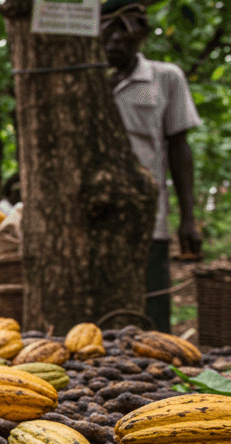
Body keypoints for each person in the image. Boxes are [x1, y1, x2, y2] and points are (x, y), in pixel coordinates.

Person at [101, 0, 202, 331]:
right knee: (104, 313)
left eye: (125, 33)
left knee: (152, 311)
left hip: (149, 218)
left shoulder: (165, 77)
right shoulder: (87, 83)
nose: (116, 40)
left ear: (140, 37)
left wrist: (188, 219)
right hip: (96, 217)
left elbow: (179, 148)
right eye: (109, 31)